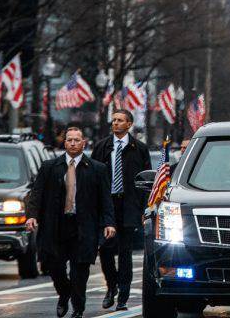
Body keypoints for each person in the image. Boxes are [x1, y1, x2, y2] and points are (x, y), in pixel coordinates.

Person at [27, 125, 116, 318]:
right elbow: (37, 193)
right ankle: (63, 292)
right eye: (69, 140)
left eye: (77, 140)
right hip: (56, 226)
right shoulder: (50, 167)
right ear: (64, 142)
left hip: (83, 227)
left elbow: (105, 199)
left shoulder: (96, 169)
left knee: (79, 272)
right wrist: (32, 215)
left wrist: (109, 223)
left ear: (83, 143)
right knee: (54, 266)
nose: (73, 143)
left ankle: (78, 308)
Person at [90, 109, 151, 310]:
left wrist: (144, 208)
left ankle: (123, 296)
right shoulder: (101, 147)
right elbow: (92, 178)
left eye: (120, 120)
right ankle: (111, 286)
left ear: (129, 124)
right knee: (105, 249)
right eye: (114, 120)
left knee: (125, 252)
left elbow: (146, 182)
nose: (115, 123)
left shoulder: (139, 149)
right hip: (106, 206)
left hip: (129, 206)